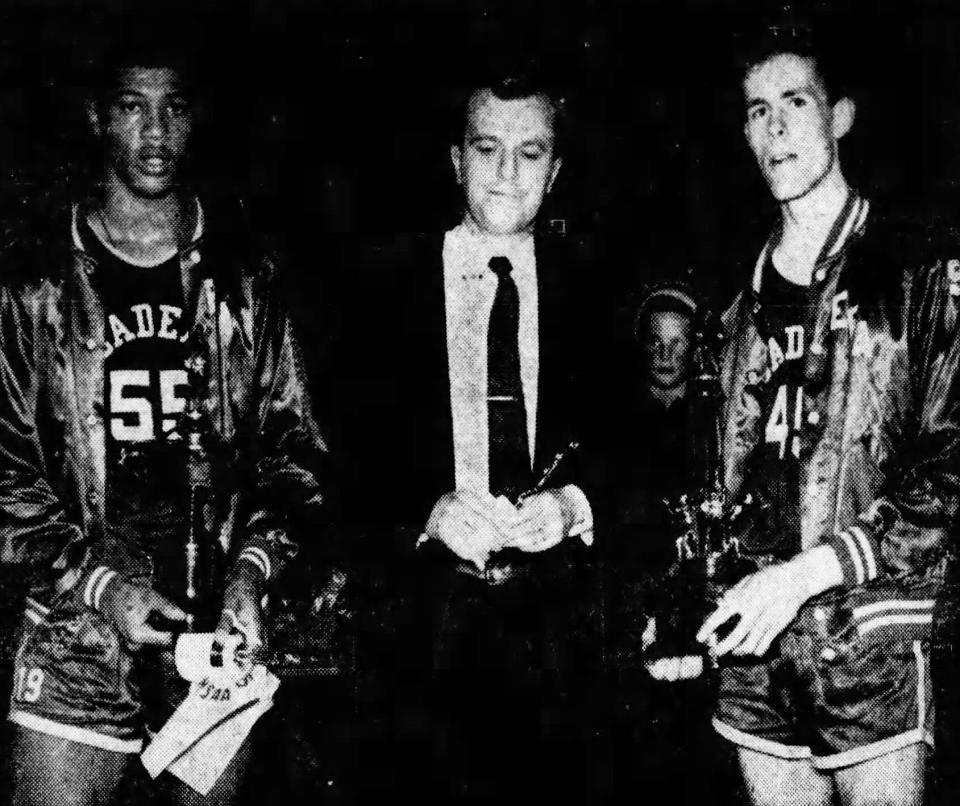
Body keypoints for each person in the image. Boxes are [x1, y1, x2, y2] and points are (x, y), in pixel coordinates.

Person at [0, 40, 329, 805]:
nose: (155, 132)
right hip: (77, 621)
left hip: (215, 624)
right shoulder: (35, 282)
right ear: (96, 116)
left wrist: (251, 573)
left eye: (173, 107)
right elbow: (6, 469)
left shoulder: (246, 278)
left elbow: (293, 456)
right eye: (132, 106)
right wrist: (102, 585)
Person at [695, 28, 960, 806]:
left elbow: (949, 470)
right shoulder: (731, 310)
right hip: (754, 647)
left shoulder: (918, 271)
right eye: (756, 111)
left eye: (795, 103)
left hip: (867, 633)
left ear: (839, 116)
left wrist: (810, 574)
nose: (774, 129)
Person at [340, 70, 600, 805]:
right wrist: (424, 512)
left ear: (557, 170)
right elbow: (339, 456)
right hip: (421, 631)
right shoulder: (381, 287)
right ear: (456, 160)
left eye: (531, 152)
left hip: (559, 637)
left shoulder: (598, 284)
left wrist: (573, 505)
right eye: (488, 149)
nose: (508, 173)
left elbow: (640, 445)